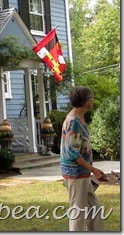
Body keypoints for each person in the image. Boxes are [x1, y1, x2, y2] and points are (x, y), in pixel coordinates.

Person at [60, 86, 106, 231]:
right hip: (75, 175)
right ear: (86, 101)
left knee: (94, 210)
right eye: (91, 97)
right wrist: (94, 170)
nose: (93, 100)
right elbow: (72, 153)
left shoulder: (79, 118)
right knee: (78, 214)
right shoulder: (73, 121)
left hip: (83, 174)